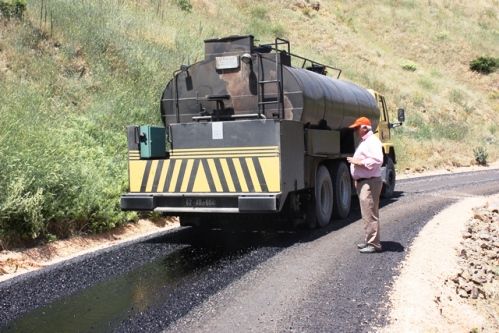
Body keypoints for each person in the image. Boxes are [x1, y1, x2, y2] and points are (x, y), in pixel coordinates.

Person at [346, 117, 384, 253]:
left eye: (357, 128)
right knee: (367, 212)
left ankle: (374, 244)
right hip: (366, 182)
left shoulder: (372, 141)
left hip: (370, 182)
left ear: (365, 127)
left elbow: (378, 159)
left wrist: (358, 162)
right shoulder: (367, 141)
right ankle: (369, 240)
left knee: (370, 213)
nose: (356, 130)